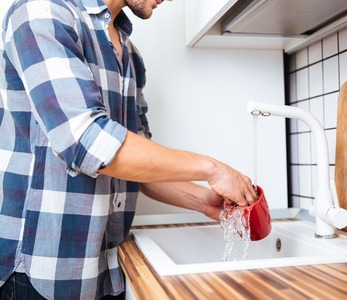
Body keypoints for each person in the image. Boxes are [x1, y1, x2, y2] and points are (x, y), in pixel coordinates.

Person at [0, 0, 257, 299]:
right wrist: (213, 169)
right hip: (41, 274)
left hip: (107, 270)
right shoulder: (42, 12)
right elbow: (87, 140)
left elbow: (138, 164)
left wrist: (203, 200)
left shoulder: (129, 54)